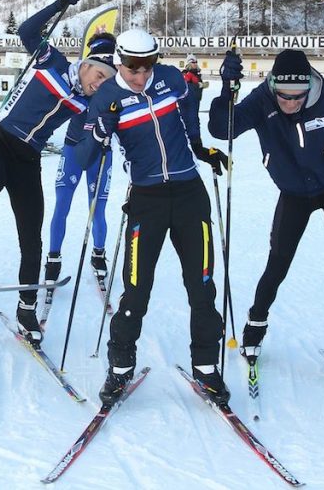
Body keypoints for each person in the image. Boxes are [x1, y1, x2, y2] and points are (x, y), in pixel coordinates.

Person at [0, 0, 112, 344]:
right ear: (86, 66)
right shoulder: (52, 61)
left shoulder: (87, 103)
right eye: (99, 75)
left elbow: (110, 118)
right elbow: (26, 31)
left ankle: (27, 308)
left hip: (28, 156)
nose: (100, 84)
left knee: (31, 234)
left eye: (107, 82)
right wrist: (61, 2)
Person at [74, 28, 230, 406]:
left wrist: (197, 147)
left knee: (202, 286)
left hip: (190, 194)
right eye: (132, 69)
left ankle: (206, 367)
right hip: (147, 199)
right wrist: (101, 130)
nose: (140, 77)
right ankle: (120, 369)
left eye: (147, 67)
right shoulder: (107, 96)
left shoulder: (172, 79)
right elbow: (83, 156)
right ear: (119, 62)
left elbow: (188, 112)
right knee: (136, 289)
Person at [208, 49, 324, 378]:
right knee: (278, 262)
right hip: (294, 192)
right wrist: (227, 89)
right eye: (284, 96)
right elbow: (222, 129)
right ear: (273, 86)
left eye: (298, 97)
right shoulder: (262, 100)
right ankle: (255, 325)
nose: (291, 103)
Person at [44, 32, 117, 292]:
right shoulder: (81, 80)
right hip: (73, 148)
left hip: (101, 152)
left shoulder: (114, 85)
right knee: (62, 204)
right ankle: (53, 259)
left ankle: (98, 254)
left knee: (97, 208)